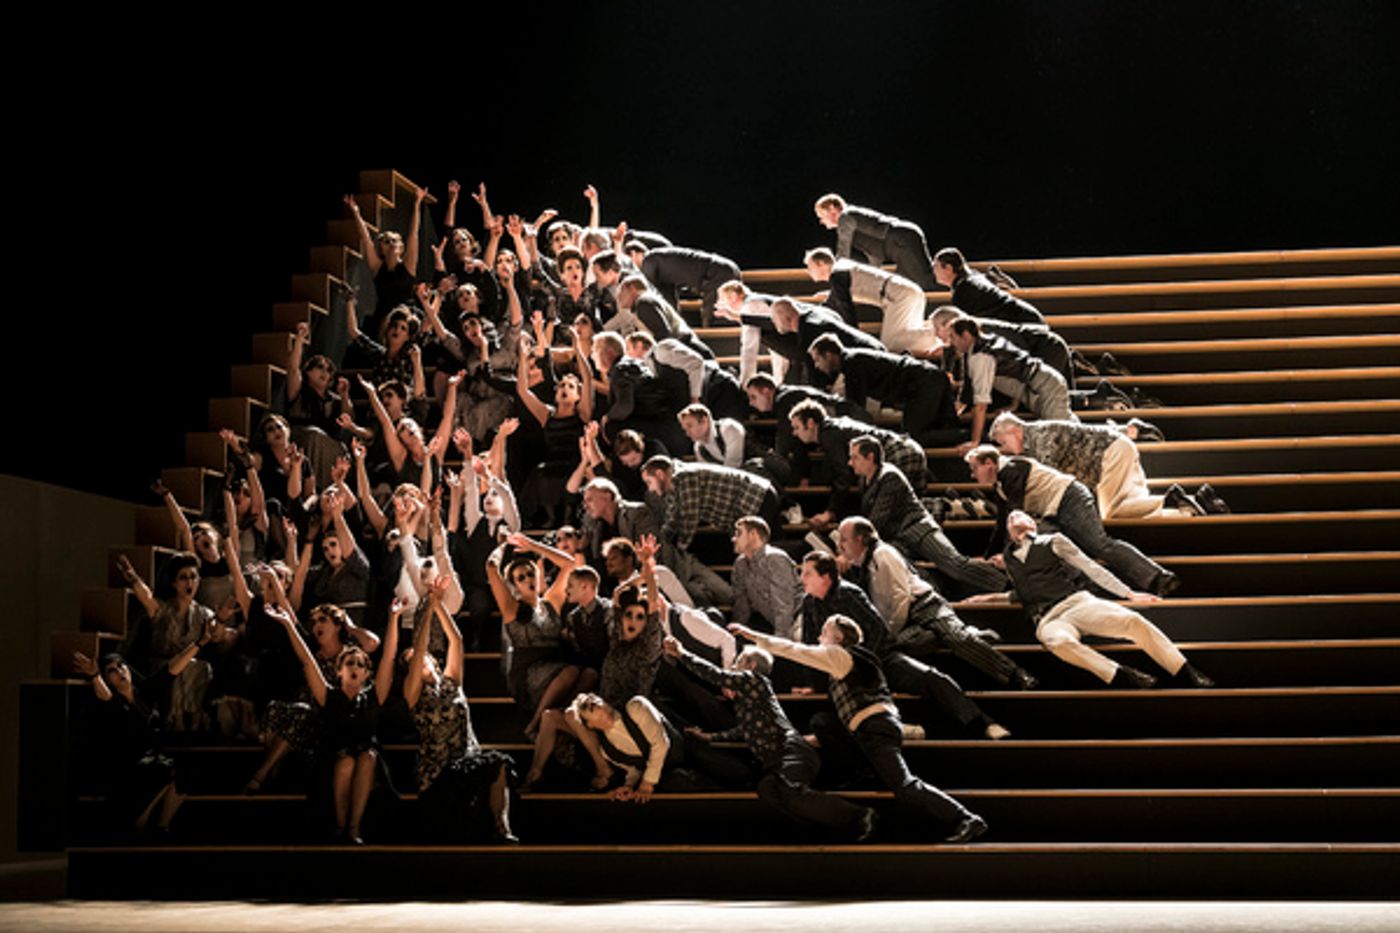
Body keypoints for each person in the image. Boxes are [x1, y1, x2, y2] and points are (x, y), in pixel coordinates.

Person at [728, 615, 988, 843]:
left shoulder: (842, 655)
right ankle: (860, 784)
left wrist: (755, 637)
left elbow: (796, 650)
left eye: (824, 632)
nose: (819, 637)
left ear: (838, 637)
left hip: (875, 730)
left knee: (904, 785)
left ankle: (965, 817)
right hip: (866, 732)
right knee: (822, 721)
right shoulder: (846, 665)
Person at [966, 511, 1214, 689]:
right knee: (1059, 642)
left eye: (1019, 515)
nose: (1013, 517)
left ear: (1033, 523)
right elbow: (1024, 592)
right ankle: (1121, 676)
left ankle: (1185, 671)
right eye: (1009, 518)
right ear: (1008, 532)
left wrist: (1128, 593)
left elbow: (1090, 568)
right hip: (1047, 618)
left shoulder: (1054, 541)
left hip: (1075, 603)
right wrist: (987, 598)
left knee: (1131, 620)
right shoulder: (1009, 559)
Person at [664, 636, 876, 839]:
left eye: (738, 662)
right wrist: (709, 737)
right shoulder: (750, 703)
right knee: (766, 789)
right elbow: (742, 731)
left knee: (788, 790)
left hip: (792, 751)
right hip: (776, 760)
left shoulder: (754, 680)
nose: (733, 667)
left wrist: (682, 654)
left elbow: (716, 675)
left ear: (751, 666)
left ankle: (857, 815)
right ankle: (816, 828)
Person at [793, 552, 1008, 740]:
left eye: (808, 573)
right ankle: (903, 731)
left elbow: (878, 630)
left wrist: (866, 664)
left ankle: (983, 723)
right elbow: (810, 644)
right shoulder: (809, 603)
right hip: (844, 672)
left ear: (825, 577)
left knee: (932, 678)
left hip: (879, 659)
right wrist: (814, 682)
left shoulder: (849, 593)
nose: (802, 578)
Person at [835, 516, 1036, 689]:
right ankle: (975, 634)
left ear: (860, 539)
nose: (840, 545)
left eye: (843, 539)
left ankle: (1016, 674)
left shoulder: (883, 554)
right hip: (907, 620)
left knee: (957, 640)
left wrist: (888, 632)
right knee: (905, 645)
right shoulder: (859, 564)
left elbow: (900, 599)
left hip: (924, 606)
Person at [387, 587, 518, 842]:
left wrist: (438, 604)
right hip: (438, 771)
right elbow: (419, 650)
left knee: (498, 763)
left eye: (422, 657)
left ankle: (502, 828)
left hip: (467, 759)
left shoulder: (451, 682)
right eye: (412, 659)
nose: (419, 659)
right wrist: (424, 620)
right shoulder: (413, 692)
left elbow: (456, 641)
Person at [965, 445, 1182, 597]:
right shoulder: (1001, 485)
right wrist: (987, 556)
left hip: (1070, 498)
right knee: (1046, 548)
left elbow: (1015, 518)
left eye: (974, 468)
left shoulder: (1011, 470)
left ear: (989, 463)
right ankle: (1087, 588)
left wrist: (1005, 554)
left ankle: (1158, 578)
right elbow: (1002, 523)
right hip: (1053, 511)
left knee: (1099, 544)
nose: (972, 476)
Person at [265, 599, 386, 845]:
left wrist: (394, 617)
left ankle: (354, 827)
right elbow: (308, 661)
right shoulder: (329, 695)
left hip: (366, 754)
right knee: (346, 762)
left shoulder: (373, 695)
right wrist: (289, 623)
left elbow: (388, 653)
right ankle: (342, 825)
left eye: (359, 665)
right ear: (338, 670)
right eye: (349, 663)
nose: (354, 667)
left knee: (366, 757)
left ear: (366, 673)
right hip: (333, 753)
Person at [72, 639, 211, 836]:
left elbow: (174, 666)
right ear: (108, 679)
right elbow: (104, 695)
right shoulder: (113, 702)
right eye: (112, 670)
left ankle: (162, 826)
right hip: (126, 767)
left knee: (185, 770)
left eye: (121, 666)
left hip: (152, 761)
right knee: (163, 768)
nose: (120, 671)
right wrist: (95, 676)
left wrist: (199, 642)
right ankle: (138, 821)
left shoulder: (144, 692)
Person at [849, 437, 1009, 598]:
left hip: (918, 528)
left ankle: (1007, 584)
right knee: (901, 569)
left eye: (855, 457)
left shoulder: (890, 476)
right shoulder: (865, 480)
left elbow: (877, 519)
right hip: (899, 538)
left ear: (870, 457)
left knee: (955, 565)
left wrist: (851, 544)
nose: (850, 462)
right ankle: (938, 593)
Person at [989, 413, 1229, 519]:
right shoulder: (1041, 431)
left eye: (1003, 443)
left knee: (1111, 513)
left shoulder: (1038, 437)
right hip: (1115, 449)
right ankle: (1189, 509)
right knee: (1135, 512)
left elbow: (1051, 477)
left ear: (1013, 430)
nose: (1006, 450)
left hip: (1109, 456)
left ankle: (1169, 500)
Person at [487, 534, 586, 739]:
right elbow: (490, 567)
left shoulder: (551, 602)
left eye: (530, 573)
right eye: (521, 578)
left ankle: (557, 717)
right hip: (527, 673)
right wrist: (504, 545)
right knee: (571, 672)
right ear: (515, 585)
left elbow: (569, 564)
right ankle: (536, 721)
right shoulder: (511, 609)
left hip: (555, 665)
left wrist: (533, 545)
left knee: (590, 675)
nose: (528, 579)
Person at [569, 692, 749, 800]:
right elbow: (634, 769)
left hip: (683, 748)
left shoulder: (634, 706)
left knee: (734, 770)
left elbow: (660, 743)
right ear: (589, 725)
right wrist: (630, 785)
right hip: (664, 771)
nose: (595, 706)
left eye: (595, 701)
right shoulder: (607, 750)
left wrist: (647, 783)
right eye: (589, 708)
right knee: (679, 781)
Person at [114, 553, 214, 733]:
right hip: (162, 668)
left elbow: (218, 631)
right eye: (183, 578)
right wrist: (134, 578)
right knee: (183, 669)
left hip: (189, 668)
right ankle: (174, 721)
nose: (189, 583)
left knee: (200, 666)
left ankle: (191, 718)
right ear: (174, 583)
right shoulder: (163, 609)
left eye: (193, 577)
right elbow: (146, 598)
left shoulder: (203, 614)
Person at [788, 398, 928, 527]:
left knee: (892, 515)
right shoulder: (834, 428)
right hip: (910, 448)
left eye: (797, 427)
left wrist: (829, 512)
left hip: (897, 452)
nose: (794, 433)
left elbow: (843, 474)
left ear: (811, 423)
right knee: (912, 510)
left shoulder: (828, 435)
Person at [944, 316, 1074, 451]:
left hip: (1046, 386)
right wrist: (1013, 405)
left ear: (965, 336)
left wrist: (975, 441)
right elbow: (1015, 371)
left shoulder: (981, 356)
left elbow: (981, 404)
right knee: (1071, 434)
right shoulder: (976, 350)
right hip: (1037, 391)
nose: (951, 342)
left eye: (953, 337)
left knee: (1062, 441)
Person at [807, 334, 960, 446]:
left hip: (923, 384)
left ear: (829, 355)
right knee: (944, 427)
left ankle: (969, 437)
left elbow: (855, 406)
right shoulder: (854, 359)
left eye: (817, 359)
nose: (816, 366)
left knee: (914, 436)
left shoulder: (852, 364)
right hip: (929, 378)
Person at [804, 247, 937, 355]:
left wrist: (855, 341)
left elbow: (846, 309)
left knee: (890, 345)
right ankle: (939, 332)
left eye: (809, 267)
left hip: (899, 297)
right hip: (907, 292)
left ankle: (940, 333)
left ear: (820, 264)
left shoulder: (838, 275)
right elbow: (847, 291)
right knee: (904, 340)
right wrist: (830, 294)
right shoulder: (842, 269)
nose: (808, 272)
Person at [641, 456, 780, 552]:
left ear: (660, 474)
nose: (650, 489)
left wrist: (680, 549)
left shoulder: (684, 477)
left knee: (764, 551)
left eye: (649, 482)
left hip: (757, 498)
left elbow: (690, 517)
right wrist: (660, 542)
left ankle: (801, 546)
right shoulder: (673, 487)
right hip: (750, 504)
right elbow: (673, 517)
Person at [814, 193, 936, 289]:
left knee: (926, 282)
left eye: (821, 215)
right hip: (899, 243)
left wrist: (833, 273)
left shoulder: (845, 217)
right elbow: (874, 256)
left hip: (901, 239)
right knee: (906, 288)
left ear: (831, 208)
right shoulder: (851, 223)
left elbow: (843, 253)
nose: (821, 221)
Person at [630, 242, 742, 326]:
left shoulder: (648, 260)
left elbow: (646, 293)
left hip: (716, 274)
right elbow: (669, 303)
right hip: (724, 269)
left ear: (633, 254)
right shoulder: (660, 263)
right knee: (724, 317)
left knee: (714, 321)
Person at [933, 247, 1046, 326]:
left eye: (936, 266)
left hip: (1024, 325)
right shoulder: (973, 277)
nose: (933, 271)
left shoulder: (963, 291)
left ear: (948, 268)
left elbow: (964, 329)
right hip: (1030, 317)